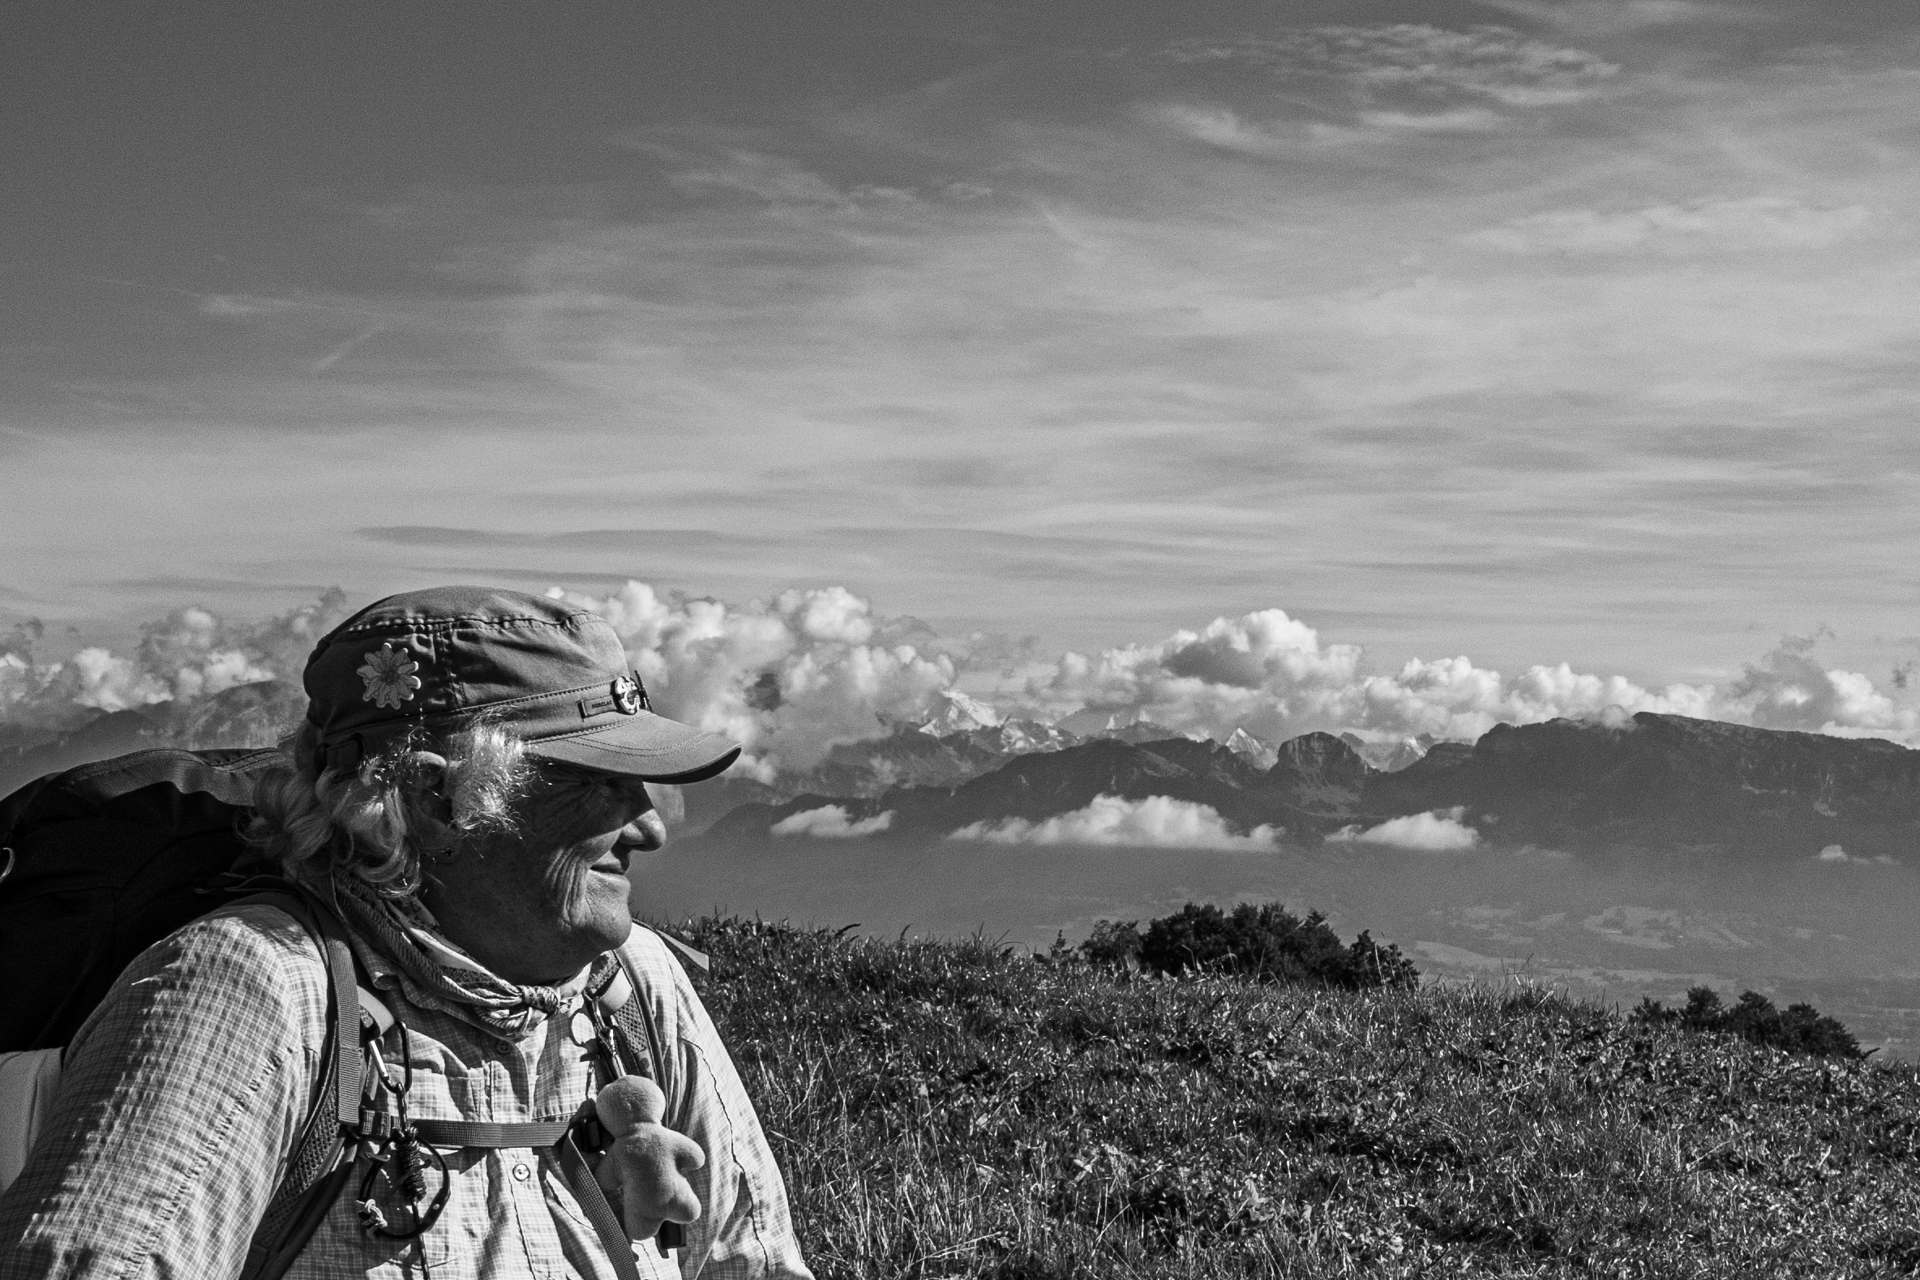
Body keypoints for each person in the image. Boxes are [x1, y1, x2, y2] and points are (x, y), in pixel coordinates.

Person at [0, 587, 814, 1280]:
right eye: (598, 784)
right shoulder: (249, 990)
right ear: (438, 803)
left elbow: (753, 1256)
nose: (649, 828)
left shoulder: (630, 978)